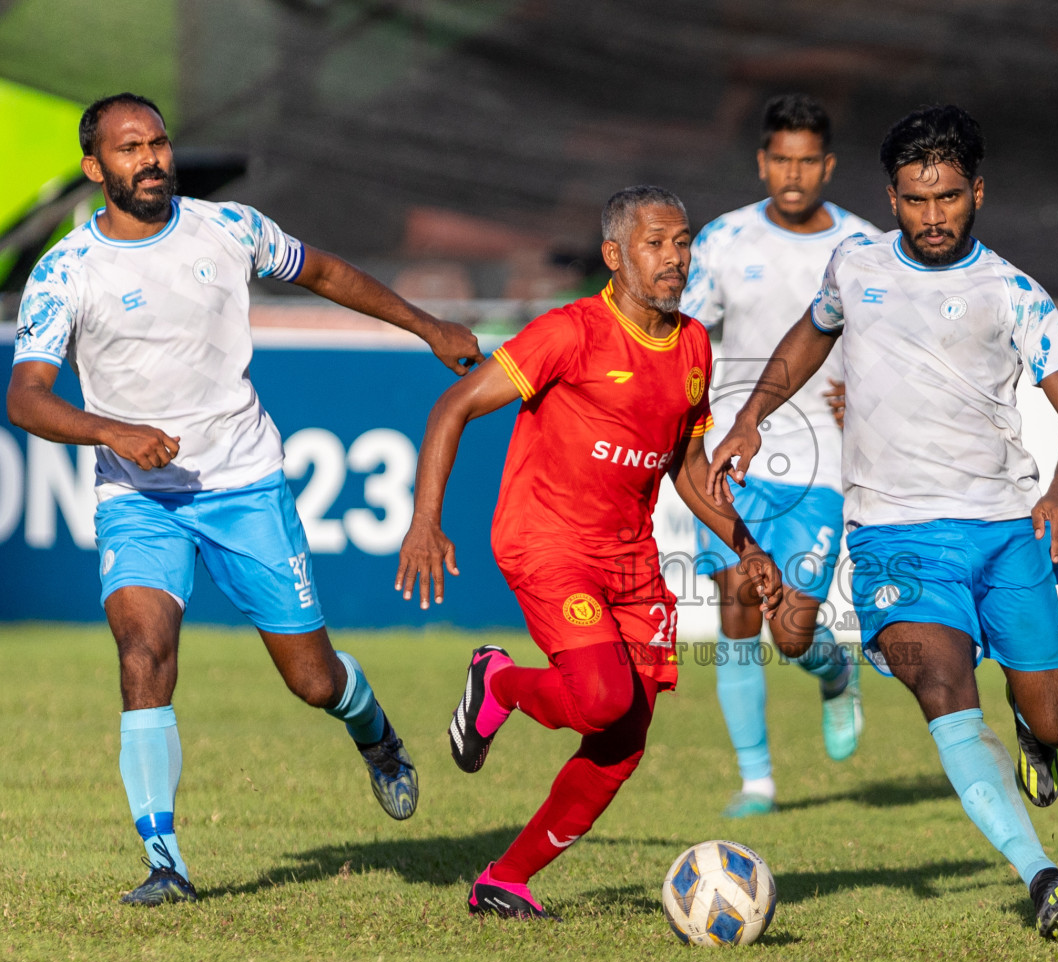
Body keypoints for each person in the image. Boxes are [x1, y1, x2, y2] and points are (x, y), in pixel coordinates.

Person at [5, 93, 484, 906]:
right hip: (139, 498)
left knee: (312, 680)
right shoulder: (65, 271)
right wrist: (112, 433)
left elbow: (325, 271)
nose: (150, 159)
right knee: (141, 652)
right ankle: (165, 860)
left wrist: (427, 326)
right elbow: (26, 397)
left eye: (157, 143)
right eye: (129, 149)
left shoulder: (229, 229)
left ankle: (374, 733)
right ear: (96, 169)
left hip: (244, 484)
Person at [707, 106, 1058, 940]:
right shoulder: (852, 267)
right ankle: (1040, 874)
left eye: (951, 197)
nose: (934, 217)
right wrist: (751, 417)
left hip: (1007, 530)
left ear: (978, 194)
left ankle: (1040, 737)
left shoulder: (1013, 293)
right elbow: (809, 338)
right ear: (892, 196)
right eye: (918, 199)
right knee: (941, 685)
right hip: (894, 534)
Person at [395, 185, 782, 920]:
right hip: (546, 540)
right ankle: (501, 682)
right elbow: (454, 406)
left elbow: (688, 468)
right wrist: (426, 520)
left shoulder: (694, 344)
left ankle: (504, 879)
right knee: (603, 699)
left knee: (624, 739)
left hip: (629, 557)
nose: (675, 258)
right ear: (614, 254)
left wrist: (745, 542)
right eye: (655, 244)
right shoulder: (568, 333)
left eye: (682, 242)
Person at [680, 94, 880, 818]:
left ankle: (833, 672)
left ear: (826, 166)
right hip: (737, 452)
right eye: (780, 160)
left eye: (807, 161)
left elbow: (892, 342)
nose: (793, 175)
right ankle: (757, 781)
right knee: (733, 604)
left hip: (824, 459)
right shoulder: (723, 240)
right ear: (763, 162)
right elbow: (687, 337)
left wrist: (865, 389)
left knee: (792, 628)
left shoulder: (863, 245)